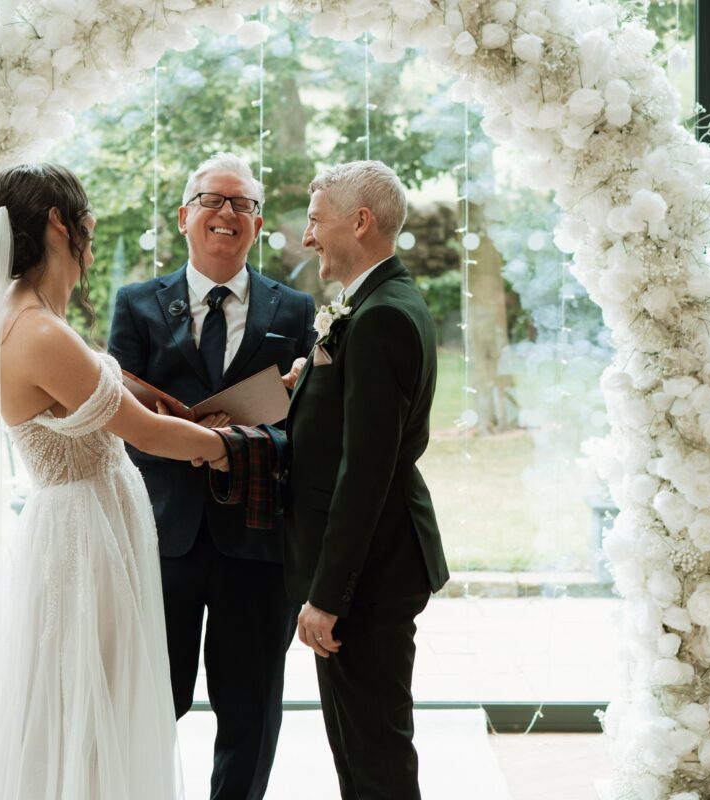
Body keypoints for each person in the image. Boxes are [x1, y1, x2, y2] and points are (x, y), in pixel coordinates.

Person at [0, 164, 228, 799]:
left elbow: (107, 388)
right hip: (83, 536)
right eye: (85, 220)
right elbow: (143, 434)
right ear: (55, 222)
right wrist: (236, 449)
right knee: (80, 702)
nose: (90, 236)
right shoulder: (38, 330)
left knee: (85, 698)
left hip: (89, 524)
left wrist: (176, 407)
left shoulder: (27, 315)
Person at [108, 153, 316, 800]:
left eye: (243, 205)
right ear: (184, 217)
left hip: (256, 541)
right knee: (149, 699)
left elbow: (304, 428)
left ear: (256, 227)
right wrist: (195, 441)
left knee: (250, 707)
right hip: (163, 535)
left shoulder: (297, 309)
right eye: (212, 200)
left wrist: (241, 442)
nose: (227, 213)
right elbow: (118, 416)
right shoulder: (138, 305)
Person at [285, 161, 450, 799]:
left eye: (315, 220)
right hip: (374, 567)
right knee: (358, 752)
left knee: (374, 757)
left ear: (360, 221)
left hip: (370, 576)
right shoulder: (381, 302)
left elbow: (366, 471)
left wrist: (327, 596)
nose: (306, 237)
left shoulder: (380, 315)